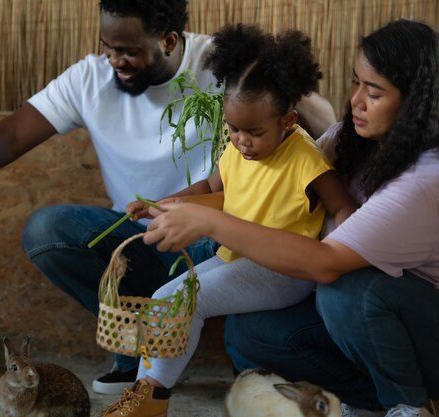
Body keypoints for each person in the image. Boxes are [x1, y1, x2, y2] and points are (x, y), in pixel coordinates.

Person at [0, 0, 336, 396]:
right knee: (46, 230)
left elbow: (316, 120)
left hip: (230, 234)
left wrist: (306, 111)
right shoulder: (90, 80)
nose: (114, 59)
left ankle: (213, 363)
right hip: (150, 232)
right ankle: (136, 351)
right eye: (108, 46)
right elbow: (12, 134)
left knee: (238, 322)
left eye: (130, 50)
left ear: (170, 41)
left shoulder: (228, 67)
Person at [143, 19, 439, 417]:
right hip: (372, 322)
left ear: (415, 103)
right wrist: (181, 206)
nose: (355, 100)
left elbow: (326, 262)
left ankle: (406, 404)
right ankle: (364, 402)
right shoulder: (349, 140)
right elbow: (268, 193)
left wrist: (209, 223)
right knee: (250, 332)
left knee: (347, 291)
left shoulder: (423, 180)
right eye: (356, 83)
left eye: (373, 92)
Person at [101, 24, 356, 417]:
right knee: (165, 298)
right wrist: (161, 204)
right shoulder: (237, 148)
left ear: (288, 121)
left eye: (254, 132)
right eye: (233, 128)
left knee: (178, 301)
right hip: (236, 255)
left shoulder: (306, 160)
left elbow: (341, 206)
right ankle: (145, 393)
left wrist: (343, 246)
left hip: (285, 271)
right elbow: (209, 187)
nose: (241, 141)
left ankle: (150, 400)